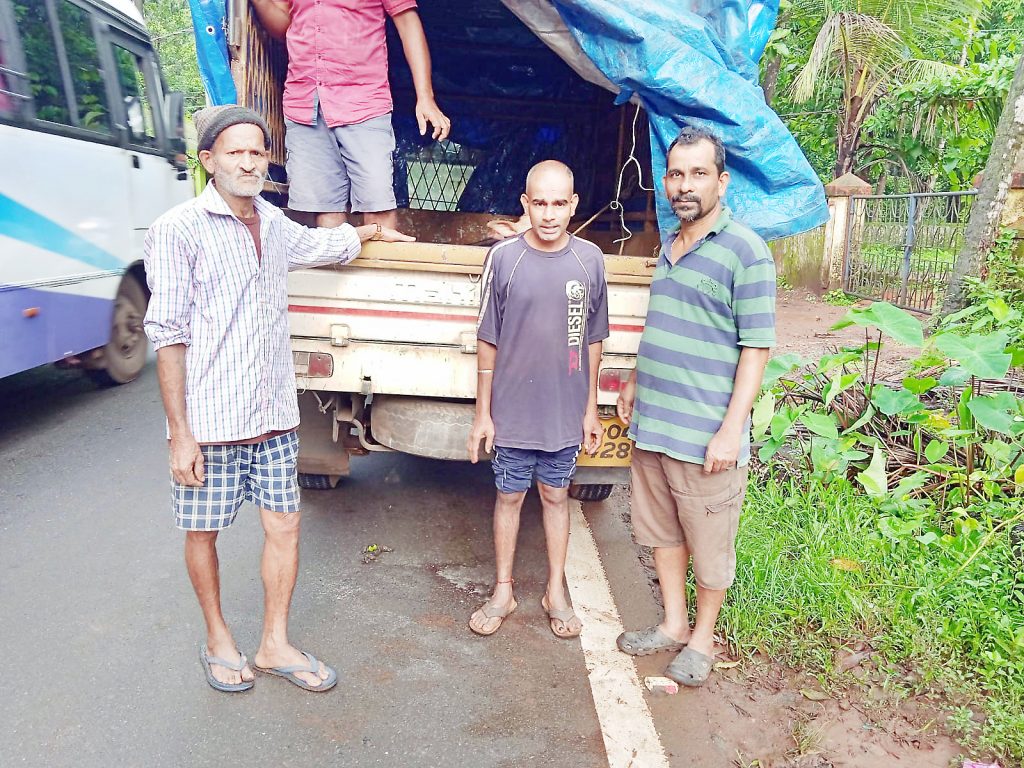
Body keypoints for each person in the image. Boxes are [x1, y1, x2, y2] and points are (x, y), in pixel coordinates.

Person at [144, 105, 412, 693]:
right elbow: (166, 334)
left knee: (286, 526)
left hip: (272, 415)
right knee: (203, 532)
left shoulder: (272, 221)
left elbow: (323, 245)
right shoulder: (177, 229)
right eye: (234, 151)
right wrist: (180, 432)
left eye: (257, 151)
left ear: (269, 160)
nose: (247, 161)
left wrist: (365, 233)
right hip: (211, 422)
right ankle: (218, 639)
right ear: (208, 160)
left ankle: (274, 644)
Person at [615, 126, 776, 687]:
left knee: (708, 543)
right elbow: (663, 323)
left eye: (698, 173)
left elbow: (756, 348)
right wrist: (635, 377)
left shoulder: (746, 251)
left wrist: (732, 430)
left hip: (706, 433)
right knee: (661, 531)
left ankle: (703, 639)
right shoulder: (671, 245)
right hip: (655, 424)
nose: (685, 185)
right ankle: (673, 624)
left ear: (722, 182)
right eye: (676, 174)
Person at [466, 160, 608, 639]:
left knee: (556, 494)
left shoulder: (590, 260)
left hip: (563, 411)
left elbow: (592, 339)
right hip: (513, 411)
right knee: (508, 495)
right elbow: (488, 338)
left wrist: (589, 408)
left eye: (558, 204)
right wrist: (483, 414)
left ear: (573, 206)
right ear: (525, 205)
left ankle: (555, 591)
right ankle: (503, 589)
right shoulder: (505, 258)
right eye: (539, 203)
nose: (549, 214)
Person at [249, 0, 450, 230]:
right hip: (306, 104)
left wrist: (425, 97)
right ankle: (335, 264)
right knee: (323, 211)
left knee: (377, 206)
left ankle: (379, 267)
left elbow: (408, 24)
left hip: (364, 101)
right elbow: (286, 26)